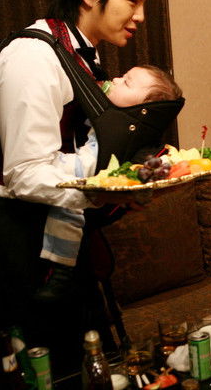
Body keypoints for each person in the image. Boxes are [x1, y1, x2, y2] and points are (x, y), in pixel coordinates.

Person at [0, 0, 161, 378]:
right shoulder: (33, 56)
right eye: (133, 0)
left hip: (54, 226)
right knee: (40, 375)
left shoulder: (81, 56)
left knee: (85, 366)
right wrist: (105, 191)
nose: (141, 16)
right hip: (12, 235)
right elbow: (25, 174)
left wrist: (129, 186)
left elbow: (74, 156)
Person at [35, 65, 182, 302]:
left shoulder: (136, 137)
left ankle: (61, 270)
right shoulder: (102, 112)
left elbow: (153, 164)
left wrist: (148, 177)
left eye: (126, 82)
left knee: (68, 214)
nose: (115, 79)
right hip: (68, 177)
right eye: (122, 76)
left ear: (144, 107)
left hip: (86, 187)